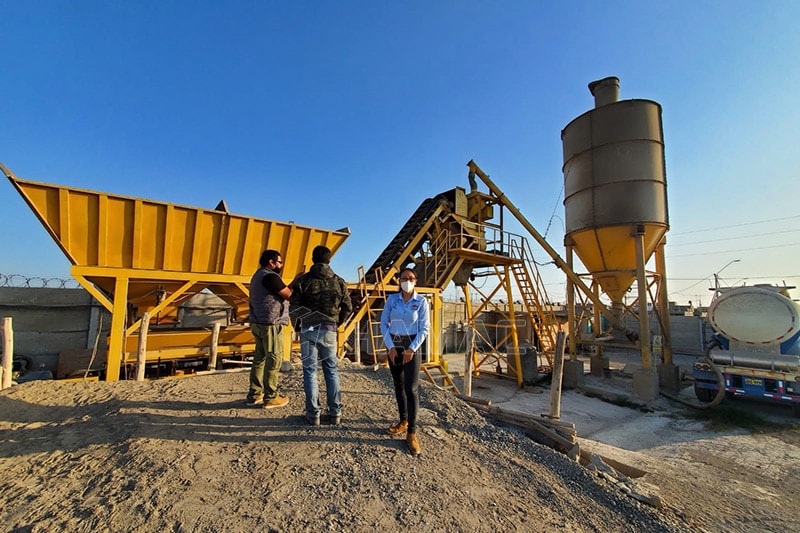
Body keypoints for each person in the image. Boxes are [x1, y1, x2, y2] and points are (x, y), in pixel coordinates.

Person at [290, 245, 353, 426]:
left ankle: (313, 414)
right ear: (329, 260)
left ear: (312, 259)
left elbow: (294, 307)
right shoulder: (339, 281)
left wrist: (298, 326)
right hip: (329, 329)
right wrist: (337, 323)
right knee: (331, 370)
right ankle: (336, 414)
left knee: (310, 371)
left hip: (309, 328)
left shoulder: (303, 281)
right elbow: (348, 306)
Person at [380, 267, 429, 456]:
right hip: (394, 344)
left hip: (412, 345)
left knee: (412, 389)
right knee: (398, 385)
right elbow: (384, 323)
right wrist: (391, 347)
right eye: (403, 278)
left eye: (410, 278)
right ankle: (403, 421)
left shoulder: (421, 301)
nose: (407, 281)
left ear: (415, 281)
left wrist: (411, 349)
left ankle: (412, 432)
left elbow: (424, 328)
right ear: (399, 281)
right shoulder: (392, 300)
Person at [246, 249, 292, 409]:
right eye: (279, 262)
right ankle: (271, 396)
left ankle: (254, 394)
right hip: (271, 324)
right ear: (271, 262)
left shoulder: (258, 275)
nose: (281, 265)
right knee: (274, 358)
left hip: (257, 323)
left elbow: (282, 290)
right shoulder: (270, 276)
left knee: (259, 359)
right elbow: (289, 295)